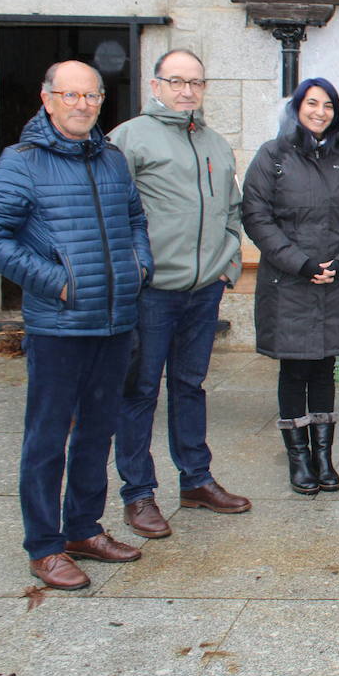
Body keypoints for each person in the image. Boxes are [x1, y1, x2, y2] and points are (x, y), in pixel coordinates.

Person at [0, 61, 154, 589]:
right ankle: (44, 547)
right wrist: (57, 281)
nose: (82, 105)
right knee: (47, 439)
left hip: (115, 321)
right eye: (71, 95)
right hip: (59, 326)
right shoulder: (22, 163)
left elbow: (135, 220)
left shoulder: (111, 159)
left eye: (91, 96)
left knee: (97, 433)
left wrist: (138, 266)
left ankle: (83, 529)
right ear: (47, 99)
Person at [110, 49, 250, 538]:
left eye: (195, 82)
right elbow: (109, 211)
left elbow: (232, 209)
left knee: (190, 386)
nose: (187, 91)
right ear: (156, 86)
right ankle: (138, 493)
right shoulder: (129, 138)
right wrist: (133, 271)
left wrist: (227, 264)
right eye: (176, 81)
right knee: (139, 391)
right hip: (151, 292)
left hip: (203, 290)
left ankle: (196, 480)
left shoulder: (215, 143)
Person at [241, 78, 339, 494]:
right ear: (297, 108)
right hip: (289, 283)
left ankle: (323, 457)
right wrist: (299, 263)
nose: (320, 112)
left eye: (328, 105)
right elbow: (256, 215)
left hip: (336, 281)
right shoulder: (273, 155)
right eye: (312, 103)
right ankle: (298, 459)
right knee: (294, 368)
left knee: (324, 368)